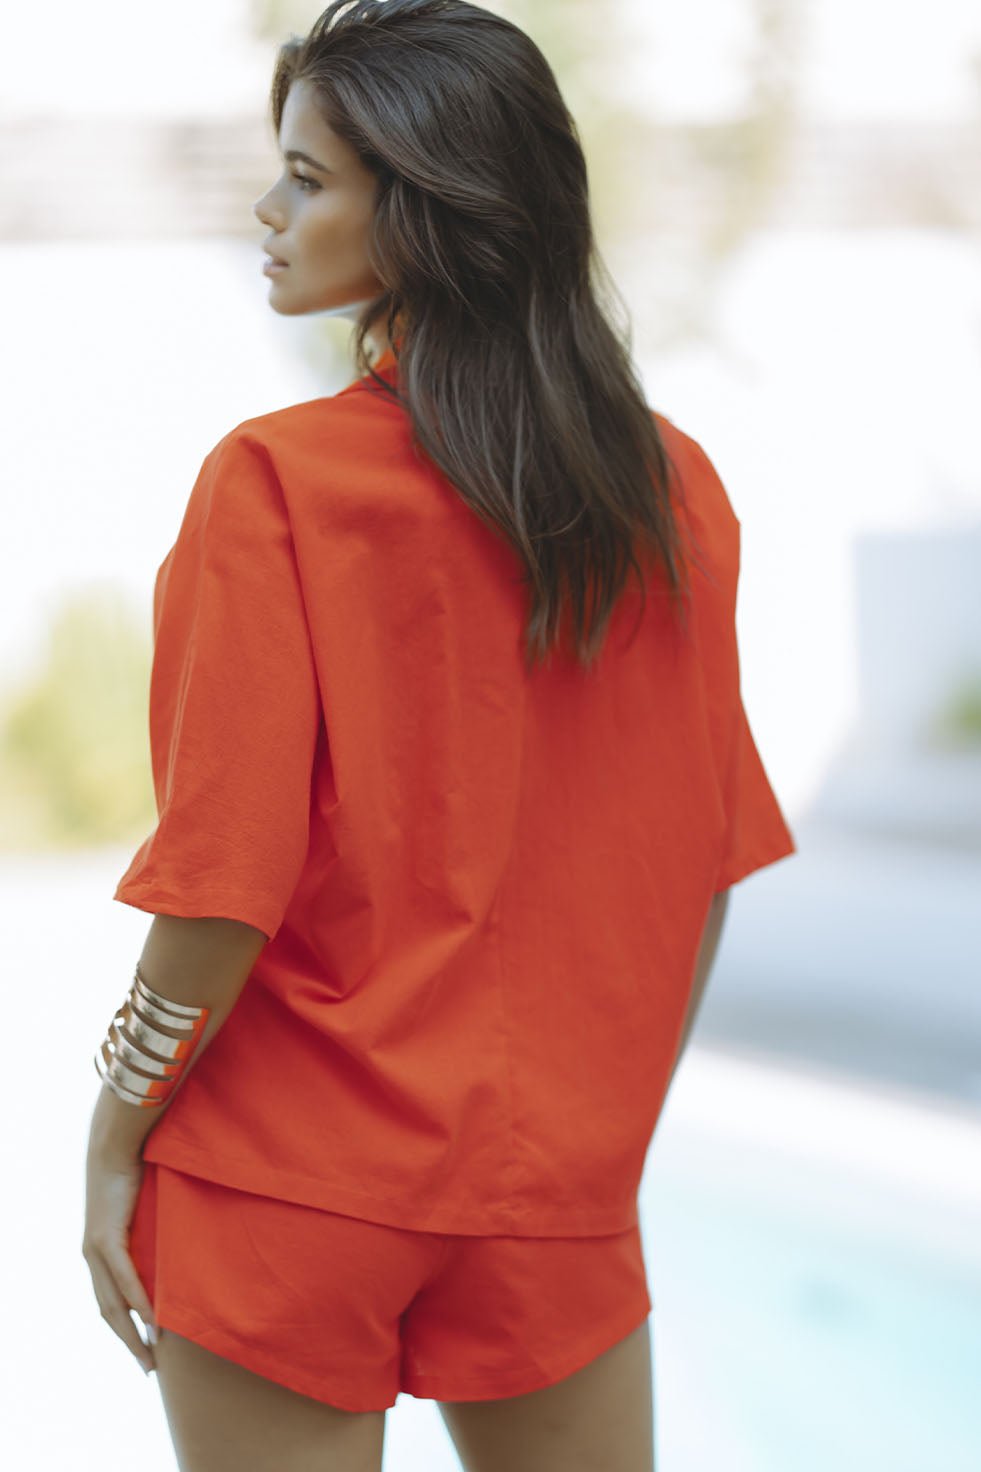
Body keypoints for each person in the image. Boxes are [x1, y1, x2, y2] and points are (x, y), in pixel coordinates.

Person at [81, 2, 796, 1469]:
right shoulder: (670, 493)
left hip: (288, 1179)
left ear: (422, 212)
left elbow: (220, 887)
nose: (268, 211)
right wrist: (601, 1141)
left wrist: (113, 1125)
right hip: (555, 1195)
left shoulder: (277, 484)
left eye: (306, 179)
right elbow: (705, 864)